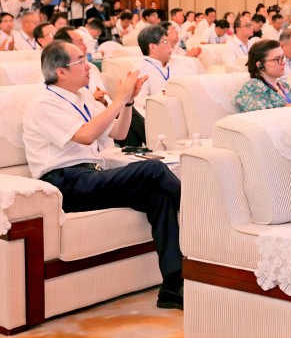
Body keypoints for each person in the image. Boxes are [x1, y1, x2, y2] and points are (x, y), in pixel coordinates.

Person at [22, 41, 183, 309]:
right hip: (65, 183)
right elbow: (86, 136)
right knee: (153, 169)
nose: (88, 66)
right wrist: (118, 98)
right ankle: (204, 213)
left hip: (91, 178)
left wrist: (127, 102)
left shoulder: (83, 97)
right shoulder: (44, 104)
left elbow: (119, 133)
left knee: (158, 197)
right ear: (61, 71)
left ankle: (172, 286)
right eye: (81, 61)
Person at [234, 40, 291, 113]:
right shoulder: (252, 88)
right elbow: (265, 119)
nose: (283, 62)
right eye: (277, 59)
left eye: (283, 57)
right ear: (260, 65)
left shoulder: (284, 86)